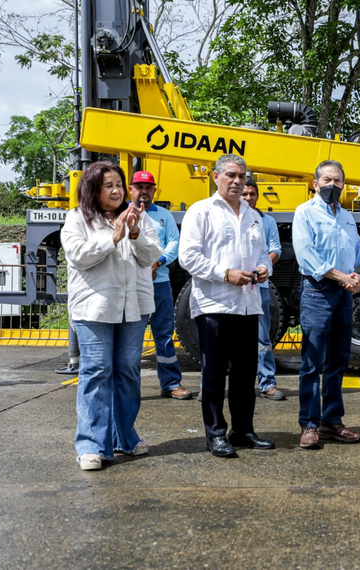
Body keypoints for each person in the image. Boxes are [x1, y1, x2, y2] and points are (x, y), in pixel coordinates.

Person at [60, 161, 162, 471]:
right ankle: (91, 445)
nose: (117, 190)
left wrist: (133, 233)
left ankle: (125, 438)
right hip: (94, 308)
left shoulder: (139, 218)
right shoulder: (77, 219)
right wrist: (112, 238)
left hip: (133, 307)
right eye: (109, 185)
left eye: (119, 184)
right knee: (97, 371)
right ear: (93, 189)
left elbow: (152, 256)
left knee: (128, 371)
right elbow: (78, 255)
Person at [179, 154, 274, 458]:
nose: (237, 181)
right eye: (231, 175)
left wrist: (263, 270)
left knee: (246, 374)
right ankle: (216, 434)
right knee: (215, 373)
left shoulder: (253, 214)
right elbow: (188, 257)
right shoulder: (201, 211)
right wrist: (225, 274)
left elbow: (261, 254)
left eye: (242, 176)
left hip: (248, 304)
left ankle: (243, 430)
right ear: (215, 176)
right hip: (214, 305)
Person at [291, 159, 360, 450]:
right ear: (315, 183)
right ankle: (309, 424)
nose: (333, 185)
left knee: (337, 362)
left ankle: (331, 422)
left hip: (344, 295)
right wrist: (343, 276)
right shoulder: (304, 213)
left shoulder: (346, 217)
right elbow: (306, 256)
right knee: (312, 362)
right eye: (327, 180)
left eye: (338, 181)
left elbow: (355, 257)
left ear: (343, 185)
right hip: (318, 292)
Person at [128, 170, 191, 400]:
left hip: (160, 283)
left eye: (148, 187)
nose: (144, 191)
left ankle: (171, 383)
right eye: (139, 186)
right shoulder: (123, 214)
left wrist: (159, 262)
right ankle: (129, 387)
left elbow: (175, 242)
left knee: (163, 335)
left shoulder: (164, 215)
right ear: (131, 189)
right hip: (133, 284)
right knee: (131, 337)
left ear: (154, 190)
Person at [241, 176, 285, 401]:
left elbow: (275, 249)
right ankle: (210, 385)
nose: (248, 198)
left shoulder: (267, 221)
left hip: (260, 287)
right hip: (234, 288)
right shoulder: (232, 219)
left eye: (252, 194)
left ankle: (267, 383)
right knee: (226, 338)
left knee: (262, 337)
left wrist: (264, 267)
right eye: (245, 194)